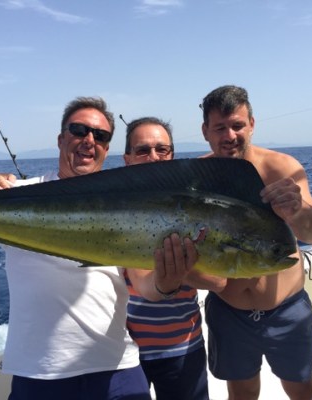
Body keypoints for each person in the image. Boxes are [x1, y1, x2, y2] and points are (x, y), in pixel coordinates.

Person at [0, 97, 197, 400]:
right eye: (79, 130)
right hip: (39, 373)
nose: (89, 140)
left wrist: (167, 283)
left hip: (116, 367)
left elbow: (147, 284)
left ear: (107, 149)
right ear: (61, 139)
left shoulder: (130, 204)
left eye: (101, 136)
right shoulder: (15, 195)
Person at [197, 85, 312, 400]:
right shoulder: (197, 176)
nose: (230, 135)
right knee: (241, 392)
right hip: (229, 312)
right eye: (220, 127)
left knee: (302, 389)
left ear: (252, 125)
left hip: (286, 311)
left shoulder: (281, 168)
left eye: (238, 125)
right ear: (205, 132)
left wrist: (297, 212)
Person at [123, 117, 224, 400]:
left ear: (172, 156)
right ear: (127, 159)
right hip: (125, 354)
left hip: (183, 347)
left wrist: (176, 266)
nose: (153, 157)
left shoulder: (196, 205)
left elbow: (218, 280)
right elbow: (143, 282)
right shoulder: (113, 202)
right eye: (143, 150)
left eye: (162, 150)